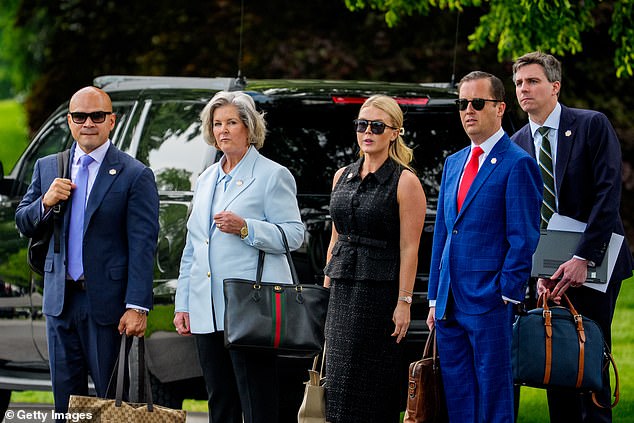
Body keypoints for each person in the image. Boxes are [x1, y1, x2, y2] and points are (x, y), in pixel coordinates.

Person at [15, 86, 159, 418]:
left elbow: (142, 245)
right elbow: (23, 221)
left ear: (112, 121)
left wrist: (137, 305)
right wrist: (45, 202)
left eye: (96, 116)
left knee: (110, 406)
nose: (88, 123)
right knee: (66, 405)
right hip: (60, 302)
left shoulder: (135, 174)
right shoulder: (49, 167)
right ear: (69, 121)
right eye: (80, 116)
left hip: (108, 307)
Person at [511, 51, 634, 423]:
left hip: (593, 264)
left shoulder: (591, 125)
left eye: (532, 81)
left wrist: (583, 258)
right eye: (518, 83)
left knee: (591, 357)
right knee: (555, 363)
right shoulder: (516, 143)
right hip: (546, 273)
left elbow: (608, 193)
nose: (523, 89)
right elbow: (523, 215)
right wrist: (537, 272)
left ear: (555, 85)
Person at [172, 91, 304, 423]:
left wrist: (247, 228)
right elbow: (193, 247)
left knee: (258, 402)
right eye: (217, 124)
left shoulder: (273, 175)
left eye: (231, 122)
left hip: (252, 309)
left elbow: (294, 235)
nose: (223, 130)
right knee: (220, 401)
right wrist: (183, 304)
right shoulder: (205, 180)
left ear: (249, 127)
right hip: (207, 309)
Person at [426, 71, 542, 422]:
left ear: (500, 108)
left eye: (478, 103)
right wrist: (434, 297)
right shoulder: (454, 162)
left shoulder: (518, 163)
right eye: (463, 104)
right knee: (459, 395)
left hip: (490, 300)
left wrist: (506, 293)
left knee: (493, 395)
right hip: (448, 304)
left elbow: (524, 237)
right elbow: (444, 235)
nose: (468, 111)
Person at [323, 95, 427, 423]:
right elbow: (335, 236)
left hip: (378, 295)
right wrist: (326, 288)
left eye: (377, 126)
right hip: (341, 290)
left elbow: (410, 247)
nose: (368, 131)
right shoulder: (342, 175)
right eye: (362, 124)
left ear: (395, 132)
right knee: (335, 382)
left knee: (370, 385)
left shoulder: (405, 181)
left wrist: (404, 302)